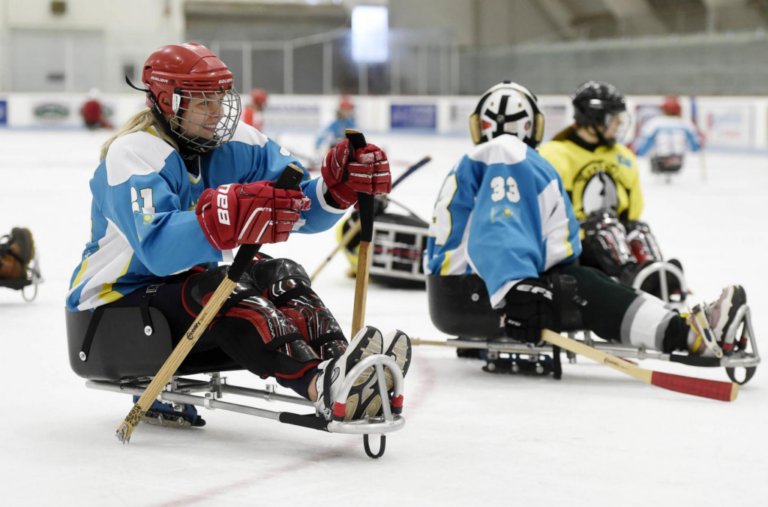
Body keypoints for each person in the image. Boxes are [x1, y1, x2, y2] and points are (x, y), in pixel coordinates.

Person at [65, 43, 410, 422]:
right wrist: (227, 216)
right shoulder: (132, 154)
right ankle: (319, 385)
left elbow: (296, 202)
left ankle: (344, 370)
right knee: (218, 284)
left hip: (180, 302)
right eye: (203, 103)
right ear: (167, 102)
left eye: (220, 99)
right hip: (110, 314)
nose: (218, 114)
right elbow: (158, 250)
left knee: (280, 273)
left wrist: (335, 189)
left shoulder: (236, 144)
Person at [424, 81, 746, 361]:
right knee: (582, 288)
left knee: (586, 277)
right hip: (476, 295)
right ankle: (686, 334)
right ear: (530, 125)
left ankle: (677, 321)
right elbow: (498, 224)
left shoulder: (490, 158)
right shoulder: (506, 152)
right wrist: (515, 287)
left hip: (466, 293)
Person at [538, 81, 681, 299]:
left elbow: (632, 211)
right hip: (574, 247)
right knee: (605, 223)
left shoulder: (623, 156)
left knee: (637, 228)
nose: (619, 123)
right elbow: (554, 216)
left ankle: (656, 273)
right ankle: (631, 278)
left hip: (614, 240)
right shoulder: (555, 154)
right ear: (592, 119)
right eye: (612, 118)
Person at [633, 95, 702, 176]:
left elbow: (642, 149)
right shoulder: (686, 124)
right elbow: (695, 148)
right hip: (678, 163)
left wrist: (636, 152)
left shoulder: (654, 123)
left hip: (659, 163)